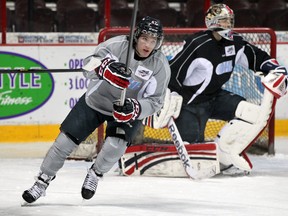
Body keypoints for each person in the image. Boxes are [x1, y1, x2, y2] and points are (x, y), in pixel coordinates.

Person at [22, 16, 171, 203]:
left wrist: (134, 108)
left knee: (115, 147)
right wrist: (104, 69)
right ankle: (42, 181)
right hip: (96, 101)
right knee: (63, 143)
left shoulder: (160, 66)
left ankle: (95, 173)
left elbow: (156, 102)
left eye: (153, 40)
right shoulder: (116, 46)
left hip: (124, 110)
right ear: (136, 36)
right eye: (145, 38)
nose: (148, 44)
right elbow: (87, 66)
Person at [145, 4, 288, 175]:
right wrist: (170, 95)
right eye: (224, 21)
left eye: (230, 22)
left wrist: (275, 69)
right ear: (212, 22)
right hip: (191, 105)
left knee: (252, 114)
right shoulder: (197, 44)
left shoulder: (235, 43)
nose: (228, 25)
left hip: (216, 97)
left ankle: (226, 153)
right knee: (195, 154)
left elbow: (257, 57)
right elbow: (172, 72)